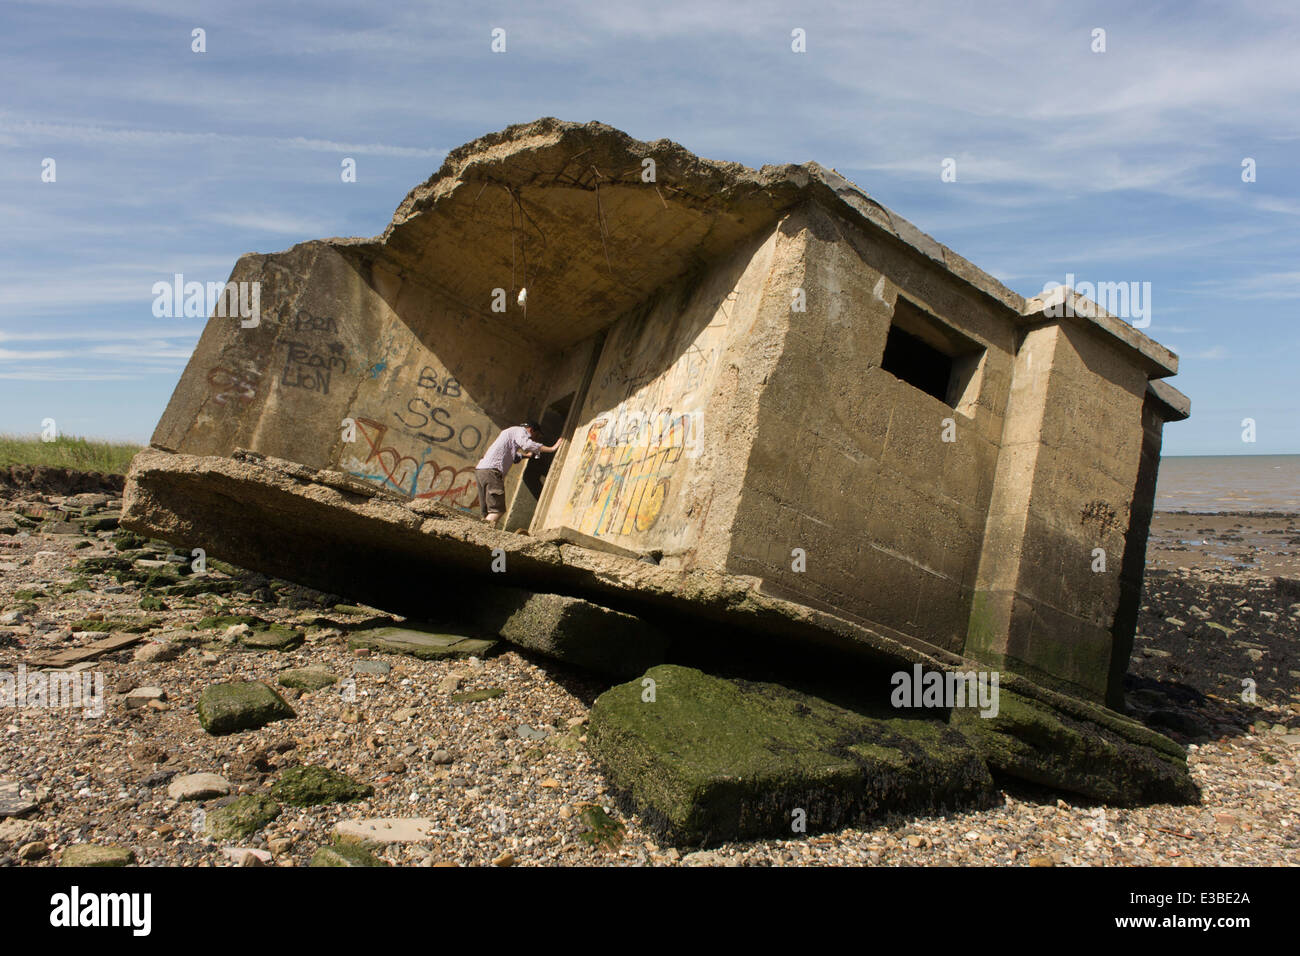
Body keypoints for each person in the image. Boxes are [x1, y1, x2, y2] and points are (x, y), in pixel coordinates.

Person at [474, 421, 564, 525]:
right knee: (497, 510)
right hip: (492, 471)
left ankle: (478, 533)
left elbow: (514, 456)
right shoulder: (520, 431)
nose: (534, 439)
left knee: (487, 512)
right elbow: (527, 445)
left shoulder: (509, 432)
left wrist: (527, 456)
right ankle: (484, 534)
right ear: (531, 430)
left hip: (481, 470)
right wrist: (552, 448)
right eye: (537, 435)